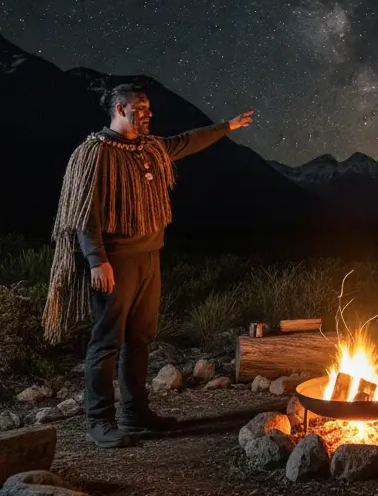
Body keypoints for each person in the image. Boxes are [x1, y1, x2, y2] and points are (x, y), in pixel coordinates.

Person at [43, 84, 254, 448]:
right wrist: (97, 261)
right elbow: (84, 214)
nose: (148, 114)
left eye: (149, 108)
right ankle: (99, 420)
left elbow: (187, 141)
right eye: (141, 108)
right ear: (121, 109)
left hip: (148, 256)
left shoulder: (150, 147)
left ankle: (134, 413)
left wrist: (227, 126)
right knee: (107, 341)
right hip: (115, 261)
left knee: (140, 338)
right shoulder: (94, 154)